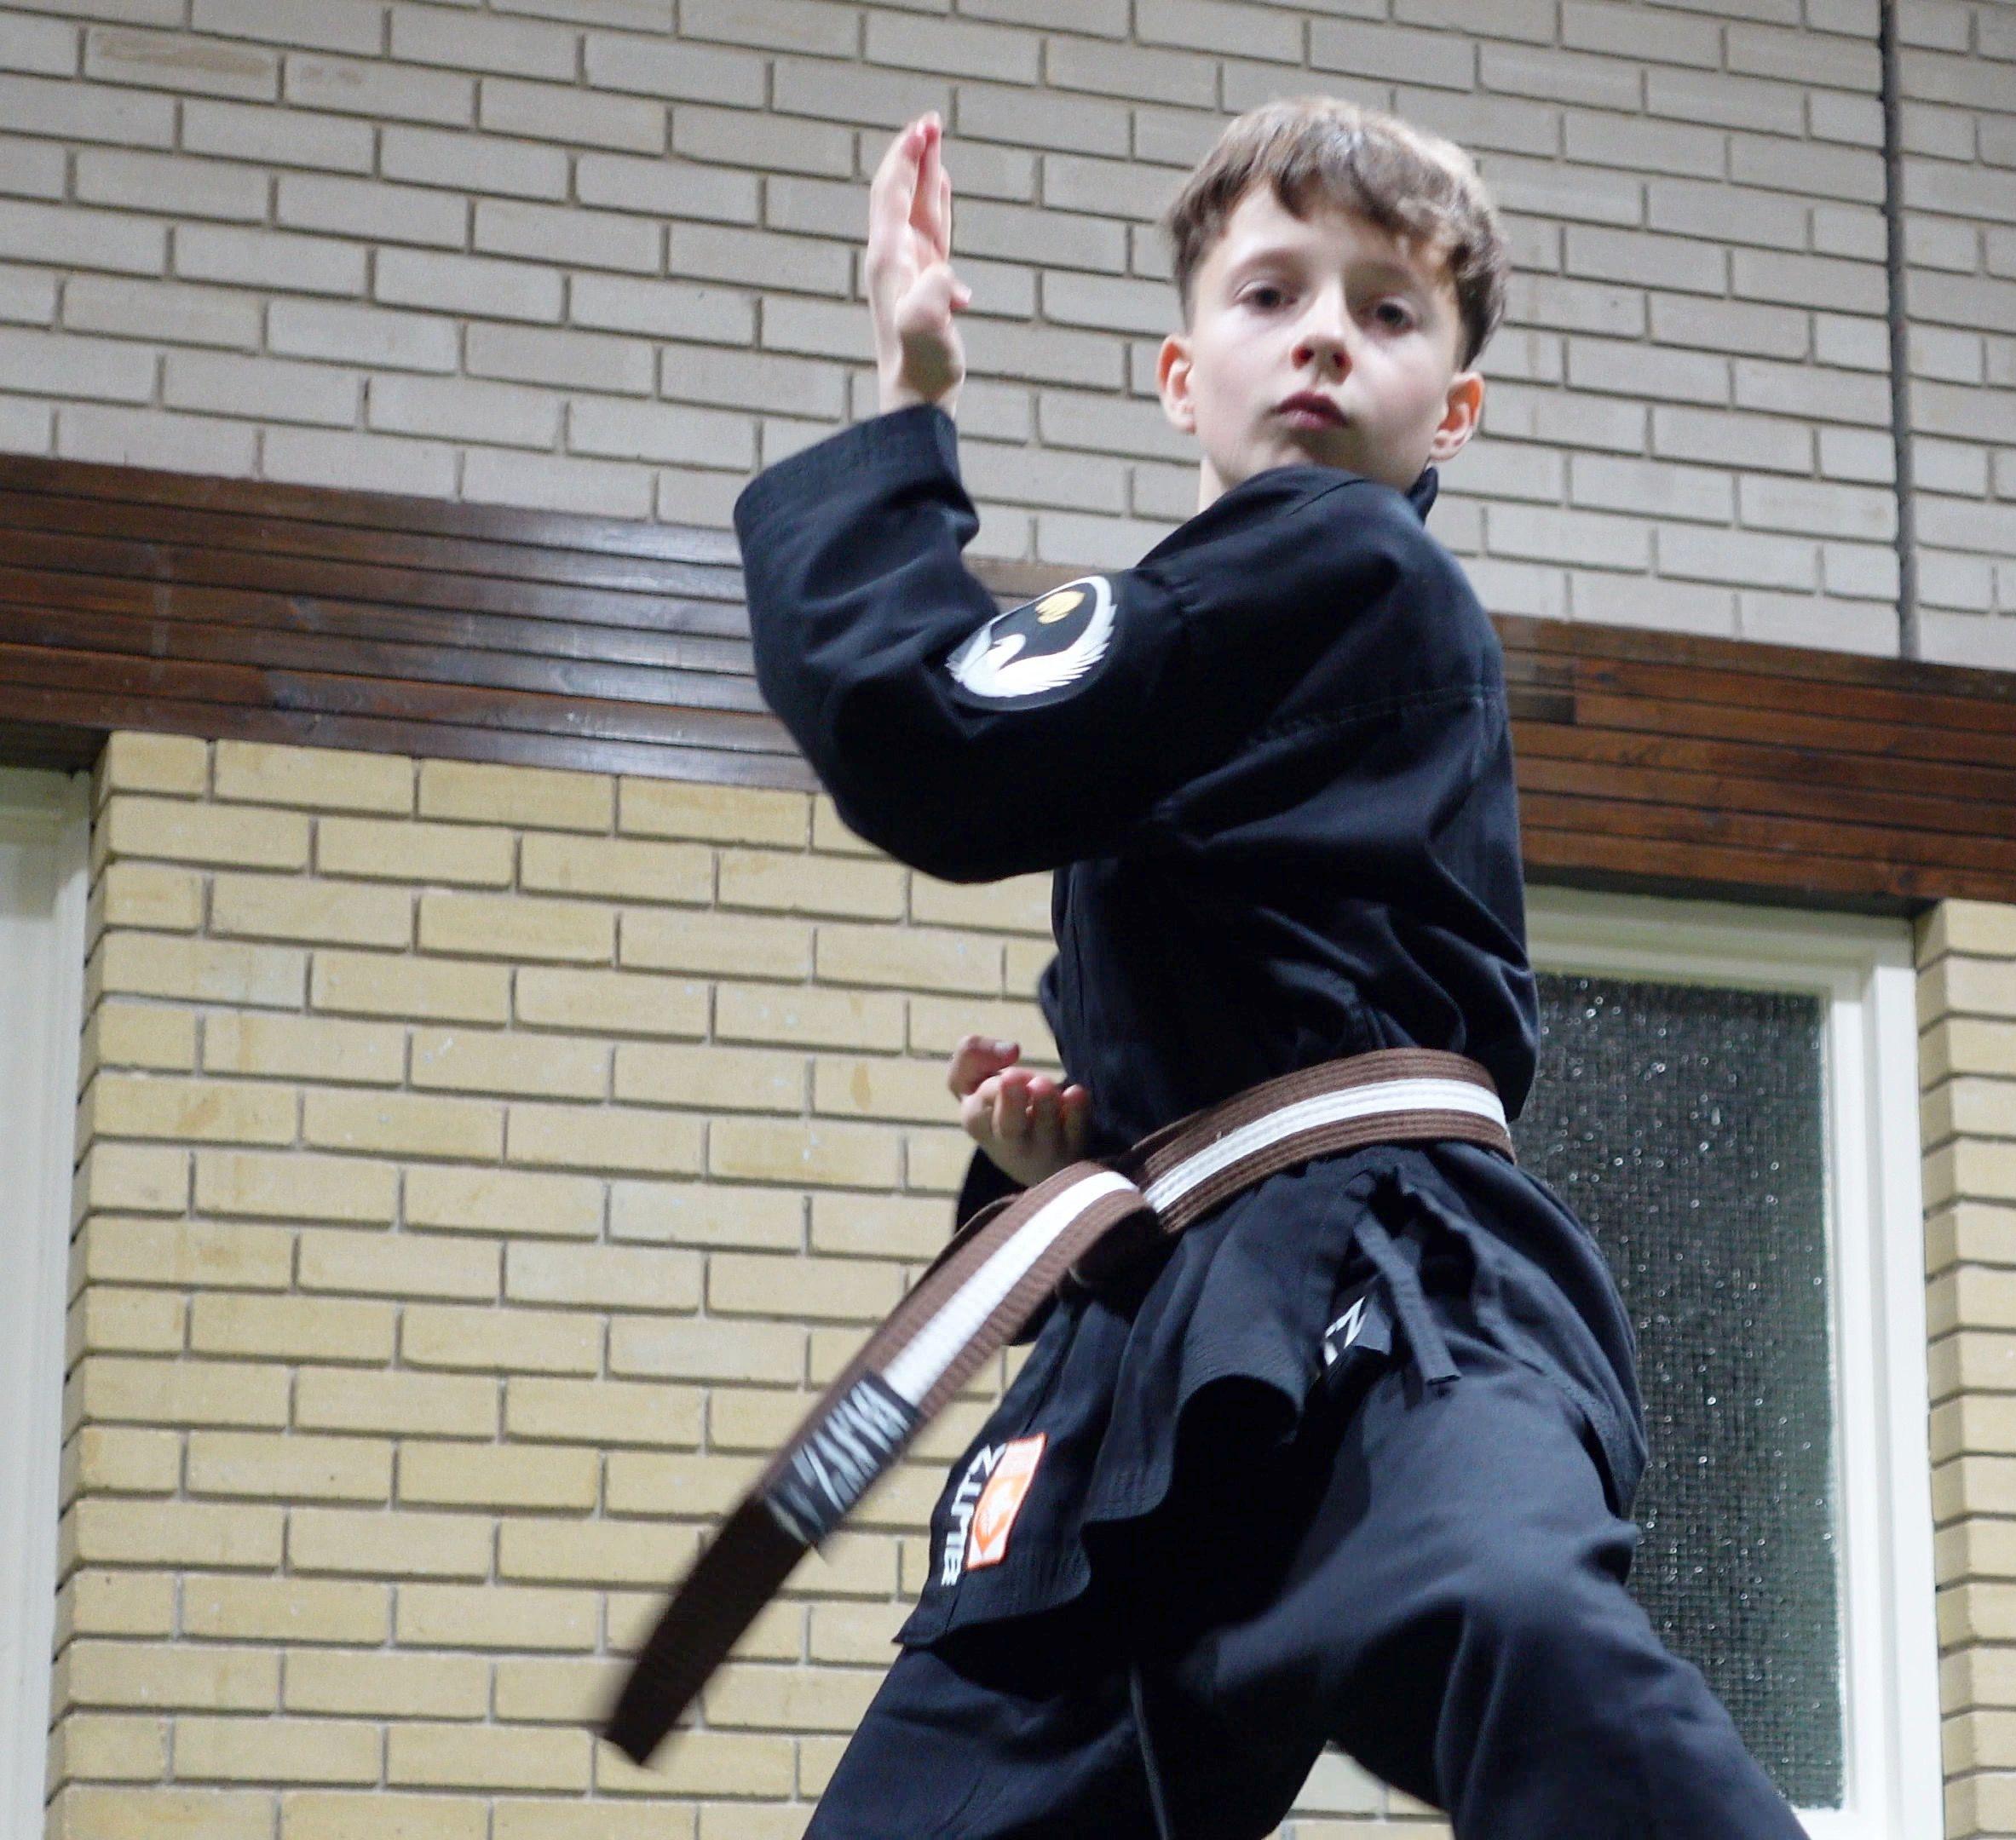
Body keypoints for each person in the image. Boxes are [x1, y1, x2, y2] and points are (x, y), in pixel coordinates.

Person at [729, 97, 1812, 1839]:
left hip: (1396, 1290)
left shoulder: (1342, 558)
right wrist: (1081, 1166)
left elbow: (925, 738)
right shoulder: (1221, 655)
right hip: (1177, 1322)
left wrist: (913, 401)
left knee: (1506, 1623)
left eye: (1388, 310)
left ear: (1450, 410)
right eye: (1269, 293)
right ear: (1178, 372)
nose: (1323, 330)